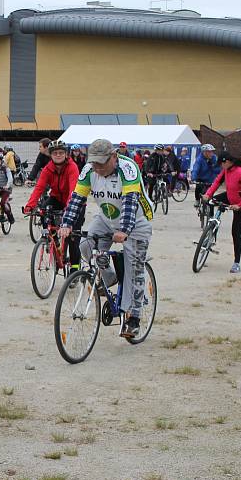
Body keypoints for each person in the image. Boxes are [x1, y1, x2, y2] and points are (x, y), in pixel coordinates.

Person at [59, 139, 153, 339]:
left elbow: (130, 203)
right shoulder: (88, 170)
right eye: (94, 163)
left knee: (133, 269)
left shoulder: (128, 169)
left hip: (136, 221)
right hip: (106, 218)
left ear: (114, 156)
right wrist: (66, 224)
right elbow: (77, 199)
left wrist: (124, 230)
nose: (98, 168)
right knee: (86, 245)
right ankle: (109, 277)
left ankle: (133, 317)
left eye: (102, 163)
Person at [23, 140, 82, 270]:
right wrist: (30, 205)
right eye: (55, 153)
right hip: (56, 198)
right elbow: (39, 187)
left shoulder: (72, 167)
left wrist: (69, 208)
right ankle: (52, 239)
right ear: (50, 155)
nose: (58, 155)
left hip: (74, 202)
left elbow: (73, 190)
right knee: (43, 209)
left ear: (66, 154)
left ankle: (75, 268)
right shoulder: (48, 168)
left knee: (73, 238)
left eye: (61, 152)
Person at [202, 152, 241, 274]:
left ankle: (236, 263)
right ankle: (211, 228)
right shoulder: (226, 171)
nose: (221, 166)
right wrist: (208, 194)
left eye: (221, 164)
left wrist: (240, 205)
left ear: (227, 162)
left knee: (235, 233)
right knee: (210, 201)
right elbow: (216, 182)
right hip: (230, 197)